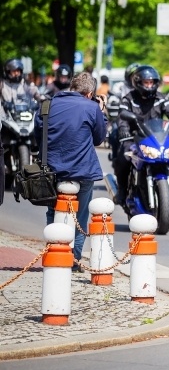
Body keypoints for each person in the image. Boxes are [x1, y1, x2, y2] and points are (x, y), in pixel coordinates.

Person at [35, 72, 106, 272]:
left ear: (72, 87)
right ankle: (74, 259)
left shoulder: (47, 105)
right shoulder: (92, 107)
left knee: (53, 210)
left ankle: (54, 251)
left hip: (51, 171)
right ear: (90, 93)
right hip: (82, 171)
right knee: (80, 216)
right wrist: (102, 112)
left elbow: (37, 136)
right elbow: (99, 138)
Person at [112, 65, 169, 207]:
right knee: (123, 159)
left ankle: (168, 188)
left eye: (151, 82)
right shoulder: (129, 99)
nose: (149, 85)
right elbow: (122, 116)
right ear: (138, 82)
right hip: (134, 138)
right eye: (146, 82)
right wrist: (124, 129)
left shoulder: (161, 98)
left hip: (156, 139)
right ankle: (122, 190)